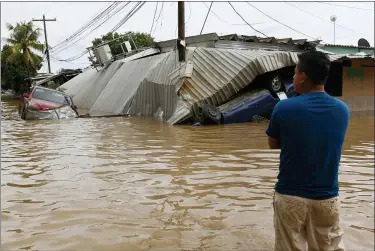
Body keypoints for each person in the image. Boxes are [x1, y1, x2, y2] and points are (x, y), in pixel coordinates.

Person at [266, 50, 349, 251]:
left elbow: (273, 143)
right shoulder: (342, 110)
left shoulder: (283, 108)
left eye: (295, 73)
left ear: (302, 77)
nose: (293, 77)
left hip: (290, 197)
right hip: (327, 199)